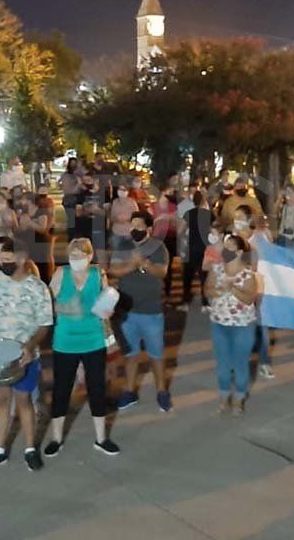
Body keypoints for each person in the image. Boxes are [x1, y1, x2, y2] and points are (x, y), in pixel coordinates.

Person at [0, 238, 54, 472]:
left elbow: (45, 325)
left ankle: (30, 449)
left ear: (22, 258)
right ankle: (0, 450)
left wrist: (30, 345)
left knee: (24, 401)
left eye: (9, 260)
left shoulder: (38, 288)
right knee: (2, 400)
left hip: (25, 356)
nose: (4, 264)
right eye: (2, 259)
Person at [44, 238, 120, 458]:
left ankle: (101, 438)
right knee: (62, 389)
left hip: (94, 338)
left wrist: (108, 309)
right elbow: (46, 303)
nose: (76, 260)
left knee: (97, 387)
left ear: (90, 256)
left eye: (80, 256)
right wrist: (67, 308)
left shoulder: (98, 274)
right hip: (65, 340)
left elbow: (107, 300)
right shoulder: (61, 274)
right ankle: (56, 438)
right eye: (72, 256)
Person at [112, 212, 172, 412]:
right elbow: (114, 270)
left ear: (148, 228)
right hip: (127, 311)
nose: (134, 229)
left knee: (156, 355)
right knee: (131, 355)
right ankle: (129, 392)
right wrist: (132, 265)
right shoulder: (123, 245)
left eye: (139, 225)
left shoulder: (157, 246)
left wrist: (144, 263)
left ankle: (162, 392)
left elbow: (162, 272)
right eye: (132, 225)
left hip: (151, 311)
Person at [204, 234, 260, 415]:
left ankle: (239, 398)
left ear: (239, 251)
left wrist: (233, 289)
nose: (225, 250)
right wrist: (218, 290)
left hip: (242, 325)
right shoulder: (217, 269)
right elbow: (208, 290)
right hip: (219, 322)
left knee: (240, 362)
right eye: (225, 246)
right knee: (222, 362)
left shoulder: (248, 273)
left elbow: (250, 297)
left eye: (229, 247)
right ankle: (223, 395)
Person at [180, 191, 213, 311]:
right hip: (205, 248)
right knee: (204, 276)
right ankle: (206, 303)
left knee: (187, 276)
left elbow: (181, 230)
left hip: (191, 247)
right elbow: (215, 229)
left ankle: (186, 302)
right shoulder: (209, 214)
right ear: (204, 201)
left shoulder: (189, 214)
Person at [16, 194, 55, 284]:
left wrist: (30, 222)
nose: (22, 202)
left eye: (24, 200)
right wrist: (31, 223)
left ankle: (47, 281)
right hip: (28, 241)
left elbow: (42, 228)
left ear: (30, 201)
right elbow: (22, 227)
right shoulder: (24, 213)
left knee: (43, 263)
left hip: (41, 242)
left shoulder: (42, 212)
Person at [108, 185, 139, 251]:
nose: (122, 191)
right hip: (116, 233)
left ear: (127, 191)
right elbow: (111, 217)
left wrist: (127, 219)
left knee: (130, 255)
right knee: (116, 254)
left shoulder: (132, 202)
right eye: (120, 189)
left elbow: (137, 218)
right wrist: (117, 219)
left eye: (124, 190)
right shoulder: (115, 202)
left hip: (129, 234)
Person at [275, 183, 294, 248]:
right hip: (283, 236)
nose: (288, 195)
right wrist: (279, 198)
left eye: (290, 192)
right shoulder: (284, 206)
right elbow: (275, 211)